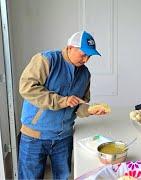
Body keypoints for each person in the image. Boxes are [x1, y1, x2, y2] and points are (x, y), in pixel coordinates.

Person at [18, 31, 107, 179]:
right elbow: (27, 88)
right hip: (34, 136)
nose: (86, 60)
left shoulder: (85, 74)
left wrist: (90, 110)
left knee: (63, 178)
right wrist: (62, 101)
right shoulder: (46, 60)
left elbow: (78, 105)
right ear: (70, 47)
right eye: (83, 54)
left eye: (90, 56)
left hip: (63, 138)